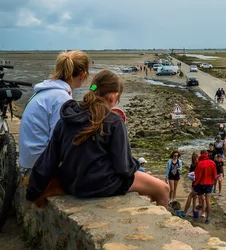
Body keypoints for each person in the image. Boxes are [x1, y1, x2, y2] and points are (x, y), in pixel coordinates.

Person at [26, 70, 169, 207]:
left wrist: (33, 191)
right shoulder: (114, 121)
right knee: (162, 188)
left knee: (144, 180)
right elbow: (123, 168)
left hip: (73, 184)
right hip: (103, 185)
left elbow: (49, 159)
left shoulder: (67, 117)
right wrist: (136, 166)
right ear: (113, 96)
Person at [19, 50, 91, 170]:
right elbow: (60, 140)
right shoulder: (61, 98)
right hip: (39, 165)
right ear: (82, 75)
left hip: (29, 158)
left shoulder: (46, 90)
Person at [193, 150, 217, 224]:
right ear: (207, 154)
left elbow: (197, 176)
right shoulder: (212, 163)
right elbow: (214, 175)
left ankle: (200, 211)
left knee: (200, 198)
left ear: (200, 155)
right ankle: (208, 217)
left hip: (201, 184)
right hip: (209, 183)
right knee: (208, 201)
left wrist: (195, 184)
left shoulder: (199, 164)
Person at [183, 152, 200, 217]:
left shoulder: (192, 165)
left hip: (194, 182)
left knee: (192, 197)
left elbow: (190, 174)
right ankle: (194, 210)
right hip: (198, 183)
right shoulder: (198, 164)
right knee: (195, 197)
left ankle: (187, 211)